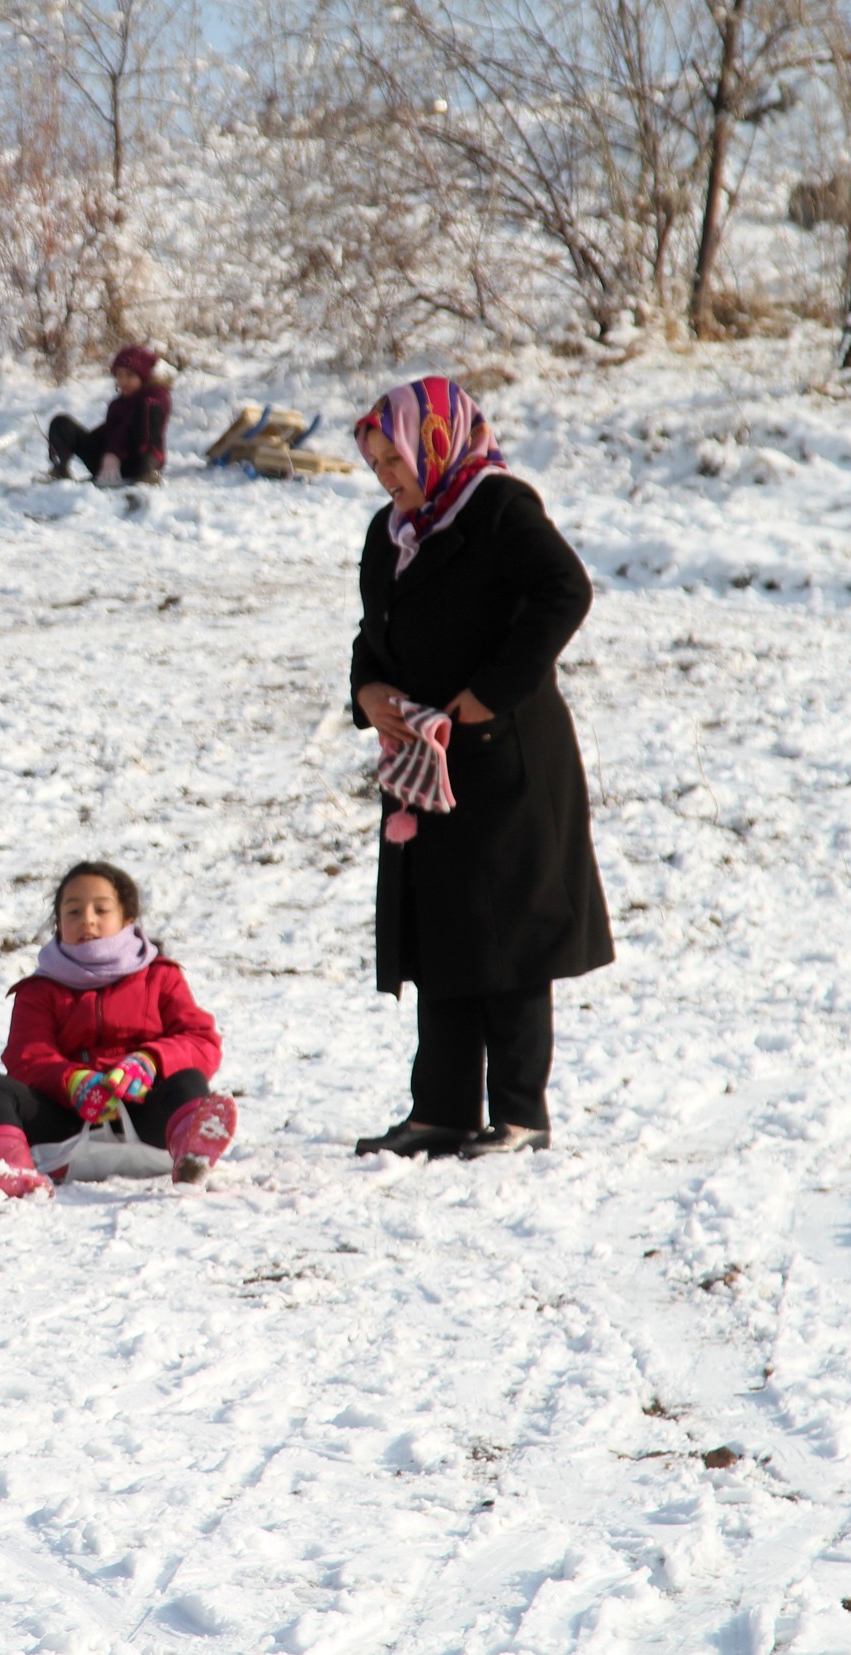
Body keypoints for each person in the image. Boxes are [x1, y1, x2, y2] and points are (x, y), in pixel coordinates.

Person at [346, 377, 613, 1160]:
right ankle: (442, 1109)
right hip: (422, 762)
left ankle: (521, 1113)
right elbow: (374, 631)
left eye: (394, 458)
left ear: (435, 441)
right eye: (376, 465)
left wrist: (487, 697)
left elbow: (565, 591)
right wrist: (367, 692)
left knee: (510, 935)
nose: (388, 477)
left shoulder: (497, 508)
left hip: (505, 761)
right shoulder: (390, 531)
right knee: (442, 929)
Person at [0, 861, 233, 1199]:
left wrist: (150, 1061)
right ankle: (13, 1171)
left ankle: (192, 1156)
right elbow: (26, 1056)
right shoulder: (38, 990)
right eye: (73, 911)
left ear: (127, 919)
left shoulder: (161, 976)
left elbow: (200, 1040)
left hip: (151, 1127)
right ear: (58, 923)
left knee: (188, 1080)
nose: (87, 919)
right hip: (67, 1132)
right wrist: (71, 1081)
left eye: (101, 909)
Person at [47, 345, 171, 487]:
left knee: (147, 410)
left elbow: (128, 428)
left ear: (143, 377)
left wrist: (114, 454)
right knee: (61, 423)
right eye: (119, 375)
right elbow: (112, 432)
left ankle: (149, 473)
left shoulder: (154, 397)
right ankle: (60, 469)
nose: (123, 381)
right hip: (110, 465)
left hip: (137, 462)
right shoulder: (117, 404)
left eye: (130, 375)